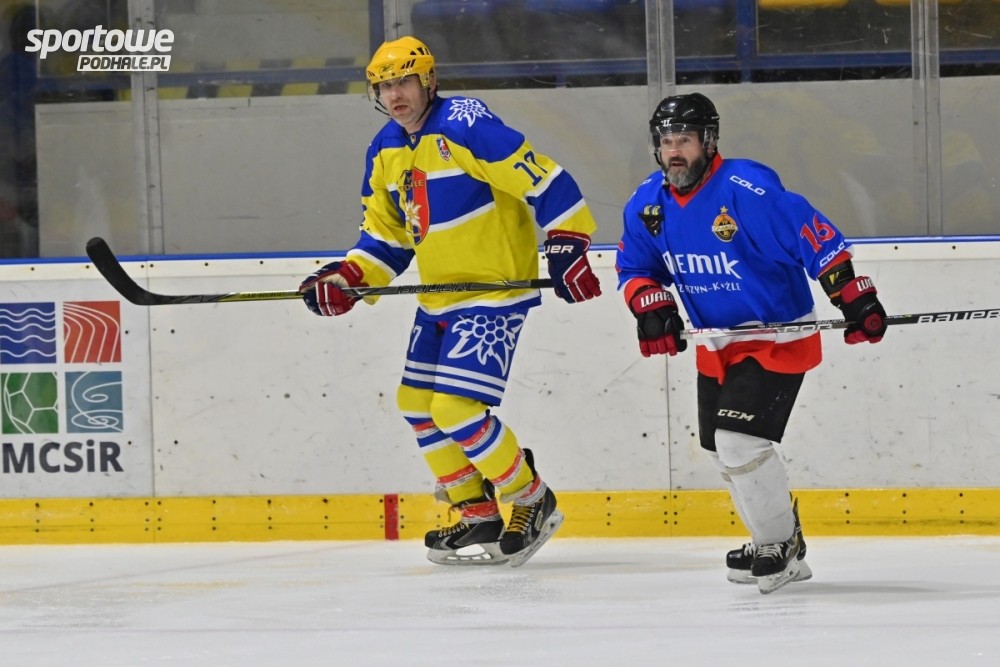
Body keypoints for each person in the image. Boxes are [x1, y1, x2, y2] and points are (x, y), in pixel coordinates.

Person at [298, 36, 601, 567]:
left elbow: (543, 177)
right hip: (440, 296)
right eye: (384, 87)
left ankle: (531, 497)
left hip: (493, 291)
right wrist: (348, 277)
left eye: (404, 82)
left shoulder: (464, 124)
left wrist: (569, 240)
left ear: (429, 81)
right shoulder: (384, 150)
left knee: (456, 408)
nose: (395, 95)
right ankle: (476, 511)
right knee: (416, 405)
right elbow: (387, 238)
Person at [615, 93, 887, 594]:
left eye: (685, 140)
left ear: (709, 141)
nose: (674, 152)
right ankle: (778, 536)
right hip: (716, 344)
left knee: (739, 441)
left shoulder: (746, 189)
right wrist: (650, 305)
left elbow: (814, 236)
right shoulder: (648, 203)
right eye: (666, 141)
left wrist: (853, 296)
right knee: (720, 449)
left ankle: (778, 544)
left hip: (777, 334)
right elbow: (635, 266)